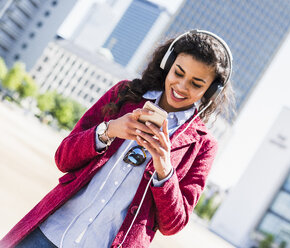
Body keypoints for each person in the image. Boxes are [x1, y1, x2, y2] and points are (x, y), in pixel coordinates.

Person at [0, 29, 234, 248]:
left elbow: (173, 224)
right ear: (168, 65)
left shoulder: (203, 145)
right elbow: (63, 159)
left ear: (211, 90)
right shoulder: (124, 94)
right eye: (178, 73)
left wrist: (165, 170)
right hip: (48, 233)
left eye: (196, 83)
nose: (181, 86)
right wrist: (109, 130)